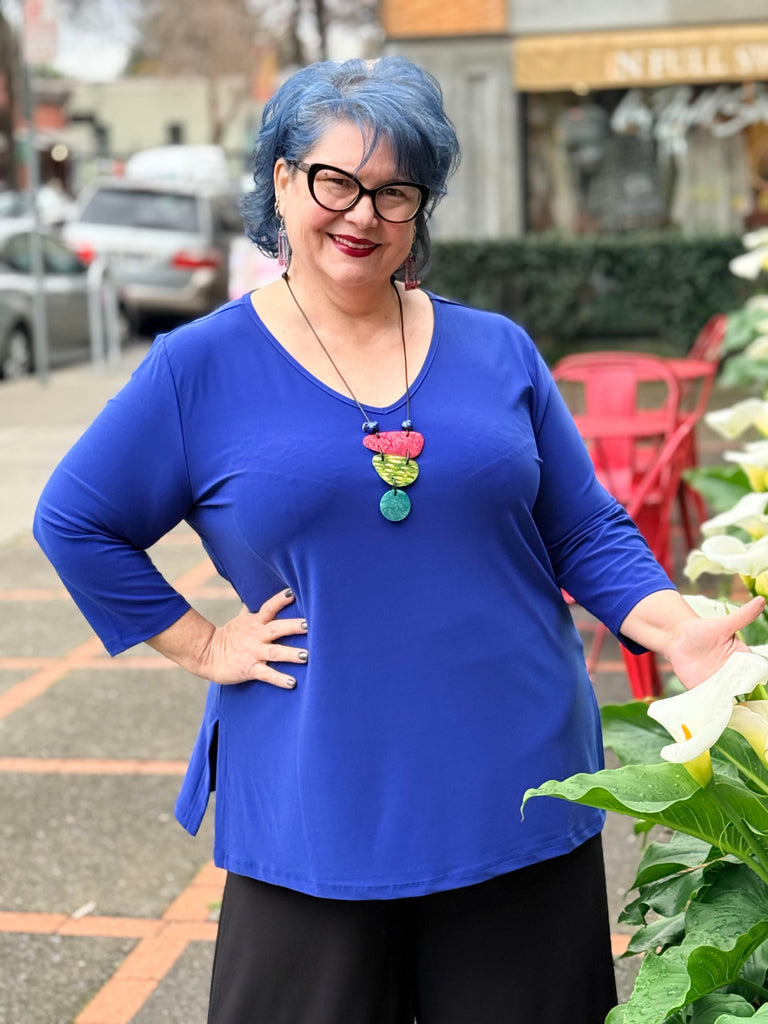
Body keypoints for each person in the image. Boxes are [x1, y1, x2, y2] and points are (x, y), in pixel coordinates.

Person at [34, 57, 764, 1024]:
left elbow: (582, 525)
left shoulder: (497, 349)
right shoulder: (197, 367)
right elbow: (75, 521)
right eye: (335, 180)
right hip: (316, 803)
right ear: (282, 180)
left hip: (519, 787)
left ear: (422, 208)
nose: (363, 214)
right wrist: (204, 645)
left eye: (395, 191)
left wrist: (673, 629)